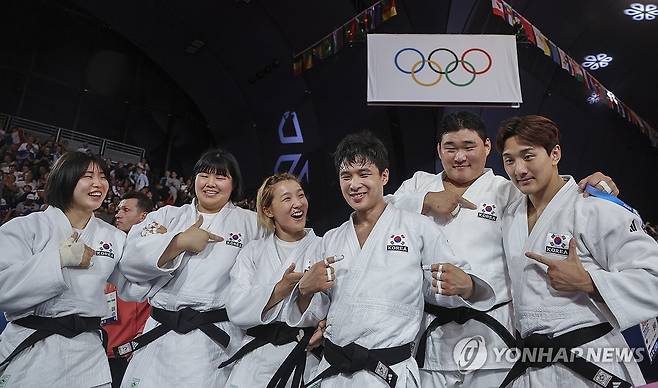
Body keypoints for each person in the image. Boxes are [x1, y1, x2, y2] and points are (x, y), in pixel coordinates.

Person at [388, 111, 619, 387]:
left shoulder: (506, 190)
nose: (459, 157)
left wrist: (596, 182)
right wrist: (425, 200)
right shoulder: (417, 185)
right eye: (450, 148)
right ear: (439, 150)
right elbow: (377, 214)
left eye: (469, 147)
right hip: (431, 335)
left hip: (493, 333)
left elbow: (554, 193)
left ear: (486, 147)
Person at [286, 131, 496, 388]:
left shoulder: (418, 228)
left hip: (389, 372)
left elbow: (450, 284)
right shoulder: (331, 239)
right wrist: (305, 291)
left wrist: (469, 286)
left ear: (384, 176)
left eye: (364, 174)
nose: (354, 184)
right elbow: (315, 314)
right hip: (334, 372)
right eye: (346, 176)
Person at [497, 115, 658, 387]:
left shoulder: (594, 207)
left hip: (591, 358)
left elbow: (653, 278)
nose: (519, 169)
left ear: (555, 153)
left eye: (528, 156)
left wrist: (589, 282)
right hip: (532, 366)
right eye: (509, 160)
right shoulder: (511, 215)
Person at [0, 151, 151, 387]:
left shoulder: (113, 237)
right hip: (31, 346)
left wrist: (165, 249)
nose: (98, 183)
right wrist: (58, 259)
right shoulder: (26, 227)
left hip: (86, 354)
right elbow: (3, 289)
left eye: (102, 176)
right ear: (66, 178)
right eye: (87, 176)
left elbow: (134, 286)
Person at [117, 148, 261, 388]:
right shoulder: (166, 216)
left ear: (233, 184)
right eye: (204, 175)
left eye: (220, 177)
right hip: (160, 335)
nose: (210, 183)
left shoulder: (252, 224)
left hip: (213, 342)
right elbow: (130, 263)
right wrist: (177, 242)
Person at [223, 173, 323, 388]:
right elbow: (236, 307)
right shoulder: (253, 251)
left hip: (304, 358)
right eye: (287, 199)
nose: (298, 203)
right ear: (268, 210)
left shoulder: (324, 247)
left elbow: (335, 305)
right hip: (254, 361)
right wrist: (280, 289)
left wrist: (313, 307)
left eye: (301, 195)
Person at [104, 192, 154, 388]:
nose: (118, 214)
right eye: (118, 209)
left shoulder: (155, 254)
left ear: (143, 217)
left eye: (125, 210)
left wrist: (142, 338)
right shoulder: (108, 246)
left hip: (129, 351)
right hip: (100, 346)